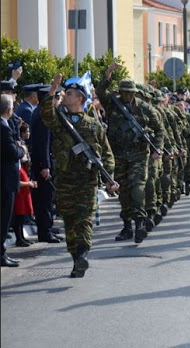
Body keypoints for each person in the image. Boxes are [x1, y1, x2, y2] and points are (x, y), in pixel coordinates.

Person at [41, 74, 118, 277]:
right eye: (65, 92)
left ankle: (83, 254)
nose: (65, 95)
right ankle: (76, 258)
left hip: (87, 181)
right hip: (65, 180)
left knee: (84, 219)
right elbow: (46, 114)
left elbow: (107, 154)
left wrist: (109, 178)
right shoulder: (60, 120)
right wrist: (53, 88)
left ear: (81, 99)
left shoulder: (94, 125)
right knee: (69, 221)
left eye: (70, 93)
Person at [97, 63, 164, 244]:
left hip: (139, 155)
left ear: (135, 92)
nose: (127, 95)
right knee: (124, 191)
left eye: (130, 92)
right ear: (120, 92)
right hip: (118, 155)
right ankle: (127, 225)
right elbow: (100, 91)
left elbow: (159, 130)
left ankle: (140, 223)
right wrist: (108, 74)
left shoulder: (145, 108)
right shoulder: (112, 104)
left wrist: (157, 149)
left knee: (137, 187)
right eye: (124, 92)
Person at [30, 85, 62, 243]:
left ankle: (47, 227)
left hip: (44, 161)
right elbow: (43, 143)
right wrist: (45, 165)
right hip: (43, 163)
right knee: (44, 199)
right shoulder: (43, 115)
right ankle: (45, 232)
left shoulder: (41, 112)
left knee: (47, 199)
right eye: (58, 97)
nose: (59, 101)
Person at [1, 94, 26, 267]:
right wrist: (21, 150)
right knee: (4, 219)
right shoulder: (3, 127)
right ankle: (1, 255)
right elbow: (11, 152)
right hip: (5, 181)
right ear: (9, 110)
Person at [12, 123, 37, 247]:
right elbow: (17, 182)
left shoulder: (23, 168)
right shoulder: (17, 168)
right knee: (18, 217)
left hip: (24, 194)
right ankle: (19, 238)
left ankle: (22, 237)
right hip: (19, 195)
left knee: (22, 217)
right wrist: (29, 183)